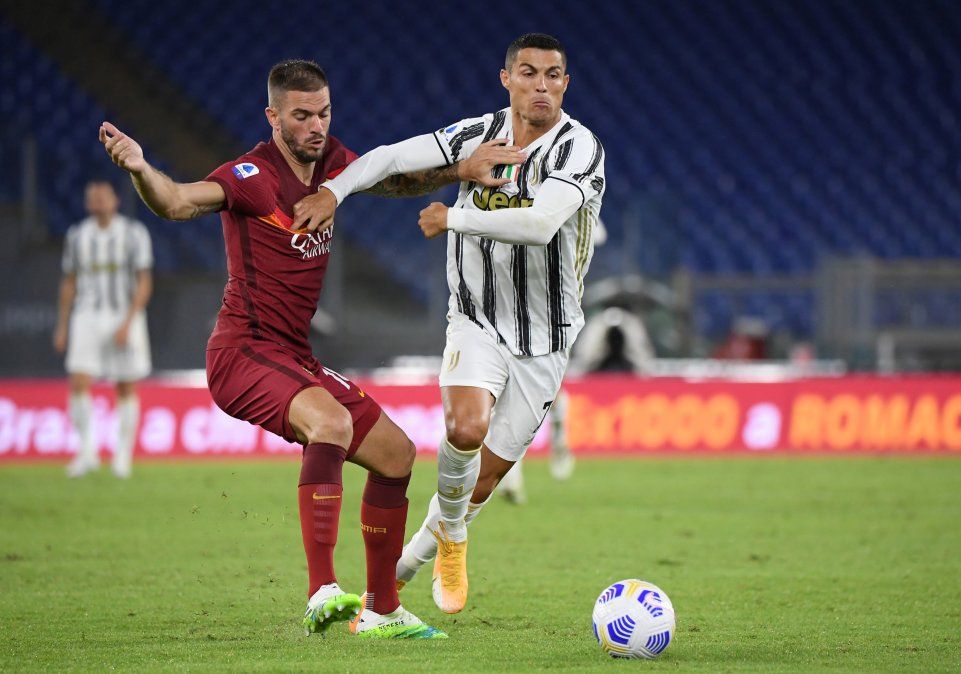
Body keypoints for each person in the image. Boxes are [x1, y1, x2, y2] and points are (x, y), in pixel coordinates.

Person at [98, 60, 516, 639]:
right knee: (331, 422)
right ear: (272, 117)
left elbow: (394, 182)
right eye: (301, 116)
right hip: (243, 351)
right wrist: (143, 169)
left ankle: (383, 609)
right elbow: (176, 202)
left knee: (397, 455)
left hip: (294, 355)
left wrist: (459, 170)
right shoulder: (251, 177)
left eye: (324, 113)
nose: (316, 126)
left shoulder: (334, 163)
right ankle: (321, 590)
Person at [293, 33, 605, 616]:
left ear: (566, 83)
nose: (541, 85)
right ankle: (453, 538)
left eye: (553, 75)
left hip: (546, 336)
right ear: (506, 79)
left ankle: (413, 562)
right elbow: (390, 158)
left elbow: (540, 225)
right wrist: (335, 191)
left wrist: (453, 218)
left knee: (481, 482)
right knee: (465, 428)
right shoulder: (476, 135)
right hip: (475, 317)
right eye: (529, 73)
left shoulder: (579, 148)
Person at [54, 179, 153, 479]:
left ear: (115, 200)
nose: (98, 202)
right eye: (93, 198)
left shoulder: (134, 233)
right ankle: (87, 452)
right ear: (87, 204)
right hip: (87, 315)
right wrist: (62, 324)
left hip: (124, 314)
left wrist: (130, 321)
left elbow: (144, 281)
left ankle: (122, 456)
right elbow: (69, 281)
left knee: (125, 385)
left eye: (103, 197)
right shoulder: (77, 236)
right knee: (78, 380)